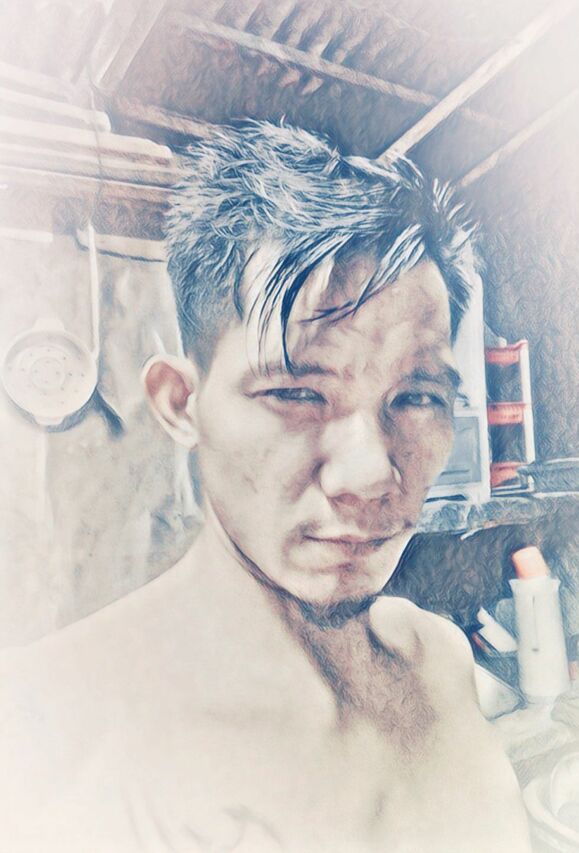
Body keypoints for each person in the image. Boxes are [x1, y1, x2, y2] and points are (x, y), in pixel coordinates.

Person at [0, 121, 530, 852]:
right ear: (182, 404)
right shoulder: (47, 737)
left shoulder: (437, 660)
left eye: (416, 398)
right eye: (296, 393)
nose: (371, 474)